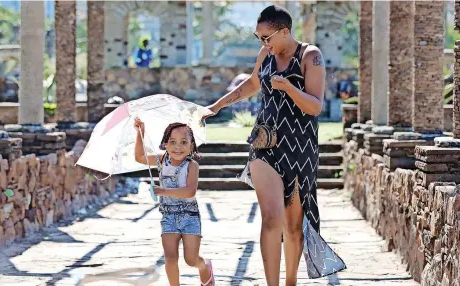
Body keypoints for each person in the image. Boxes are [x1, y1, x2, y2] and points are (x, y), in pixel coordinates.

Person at [204, 5, 343, 285]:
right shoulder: (265, 54)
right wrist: (217, 106)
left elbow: (316, 106)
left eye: (266, 37)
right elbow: (252, 84)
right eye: (259, 38)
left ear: (284, 32)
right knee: (271, 218)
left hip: (299, 149)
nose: (263, 43)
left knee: (293, 227)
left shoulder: (310, 56)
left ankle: (290, 281)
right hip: (264, 145)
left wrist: (290, 88)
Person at [133, 118, 215, 286]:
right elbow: (139, 157)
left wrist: (162, 190)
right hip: (168, 216)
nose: (178, 147)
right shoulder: (161, 160)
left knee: (191, 259)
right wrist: (140, 133)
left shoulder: (192, 165)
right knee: (170, 258)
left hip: (189, 216)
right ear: (165, 145)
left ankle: (204, 266)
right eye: (173, 142)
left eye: (184, 142)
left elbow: (189, 191)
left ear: (191, 146)